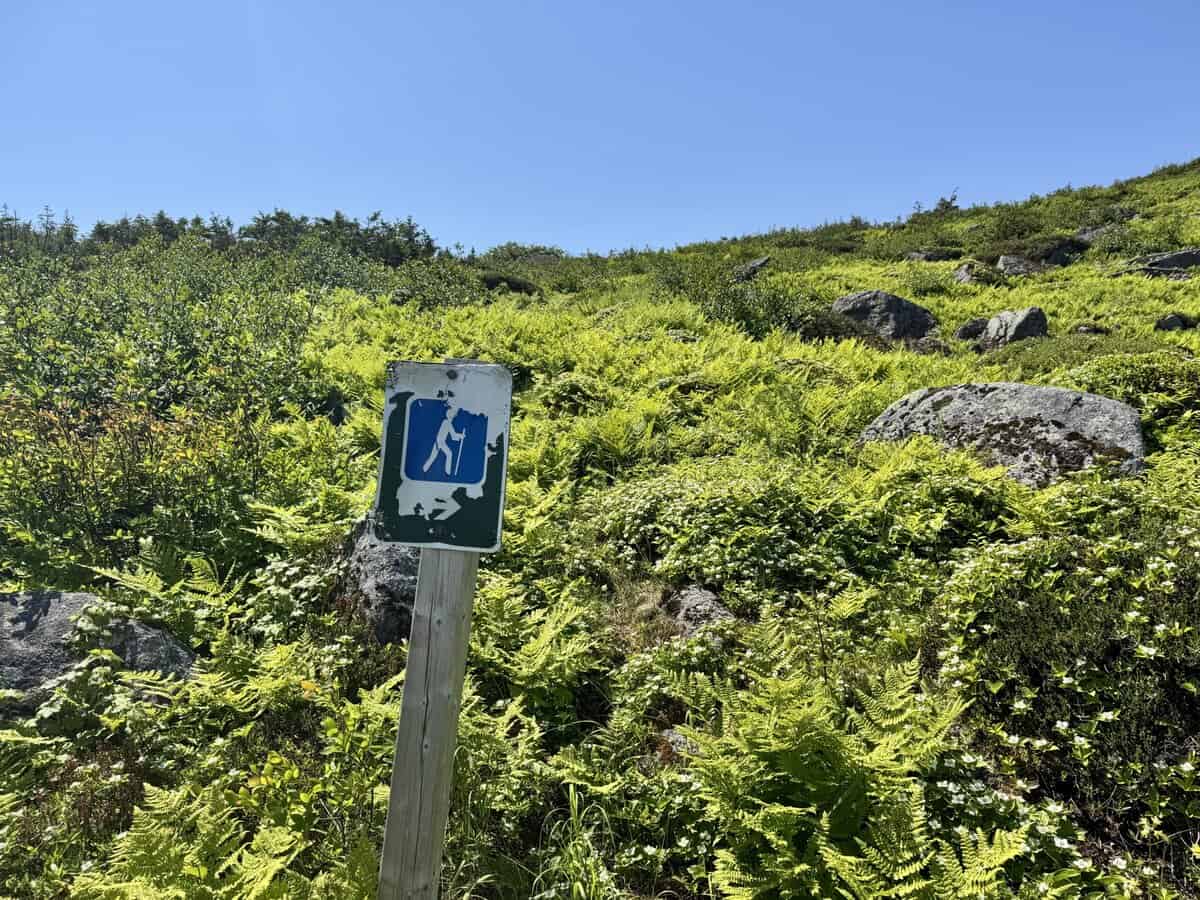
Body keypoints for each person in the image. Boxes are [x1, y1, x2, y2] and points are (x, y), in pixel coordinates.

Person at [422, 402, 464, 476]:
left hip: (440, 442)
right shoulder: (445, 422)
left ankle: (425, 470)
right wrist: (460, 436)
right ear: (450, 415)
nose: (454, 416)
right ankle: (446, 472)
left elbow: (453, 436)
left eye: (454, 415)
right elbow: (447, 435)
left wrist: (460, 436)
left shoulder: (448, 423)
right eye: (454, 414)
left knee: (436, 456)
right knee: (446, 454)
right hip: (439, 442)